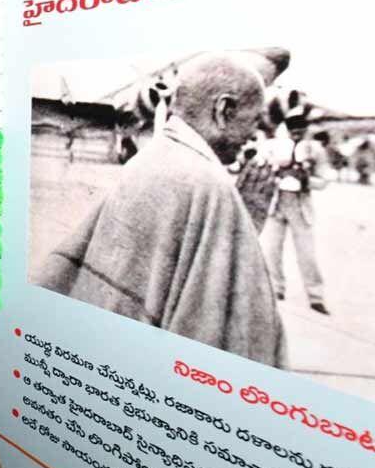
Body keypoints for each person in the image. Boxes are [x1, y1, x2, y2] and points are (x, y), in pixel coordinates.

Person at [37, 52, 285, 367]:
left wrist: (240, 217)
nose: (252, 136)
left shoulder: (150, 157)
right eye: (252, 121)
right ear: (224, 110)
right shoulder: (208, 184)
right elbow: (228, 321)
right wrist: (244, 217)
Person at [259, 111, 330, 314]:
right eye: (293, 132)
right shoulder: (274, 145)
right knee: (272, 250)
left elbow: (324, 179)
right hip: (277, 202)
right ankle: (276, 288)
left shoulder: (314, 149)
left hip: (300, 205)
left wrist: (307, 179)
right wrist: (273, 172)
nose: (296, 135)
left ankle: (316, 296)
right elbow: (261, 163)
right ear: (287, 131)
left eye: (300, 132)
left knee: (307, 254)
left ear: (306, 131)